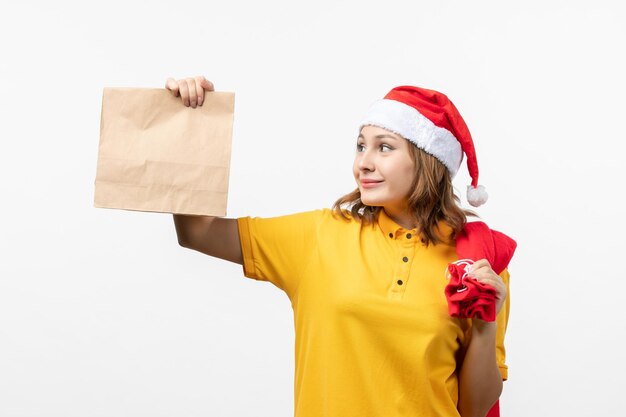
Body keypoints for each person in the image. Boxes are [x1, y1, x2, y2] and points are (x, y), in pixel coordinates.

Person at [167, 76, 512, 417]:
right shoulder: (320, 236)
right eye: (361, 146)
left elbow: (474, 408)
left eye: (384, 147)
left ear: (428, 160)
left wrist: (485, 322)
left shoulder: (480, 262)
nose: (363, 162)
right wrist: (191, 130)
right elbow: (197, 232)